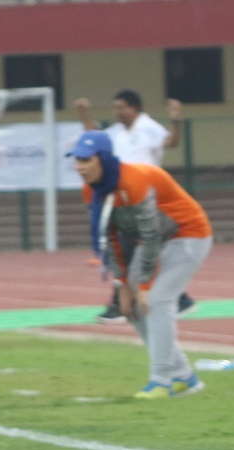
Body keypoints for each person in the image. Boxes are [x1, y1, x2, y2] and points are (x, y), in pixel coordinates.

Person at [70, 131, 211, 399]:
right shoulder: (91, 190)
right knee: (131, 306)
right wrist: (121, 284)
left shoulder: (133, 181)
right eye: (77, 159)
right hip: (155, 241)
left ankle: (161, 380)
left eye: (86, 160)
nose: (79, 166)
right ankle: (184, 376)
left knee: (157, 301)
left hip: (188, 235)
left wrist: (144, 284)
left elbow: (150, 235)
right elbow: (110, 236)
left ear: (102, 159)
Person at [74, 90, 191, 320]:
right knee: (127, 248)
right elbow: (94, 138)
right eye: (114, 107)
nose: (117, 111)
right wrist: (83, 114)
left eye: (121, 107)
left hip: (144, 195)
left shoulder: (149, 127)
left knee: (126, 247)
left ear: (134, 107)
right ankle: (178, 298)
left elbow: (172, 141)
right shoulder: (116, 132)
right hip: (122, 195)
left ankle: (121, 303)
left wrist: (176, 118)